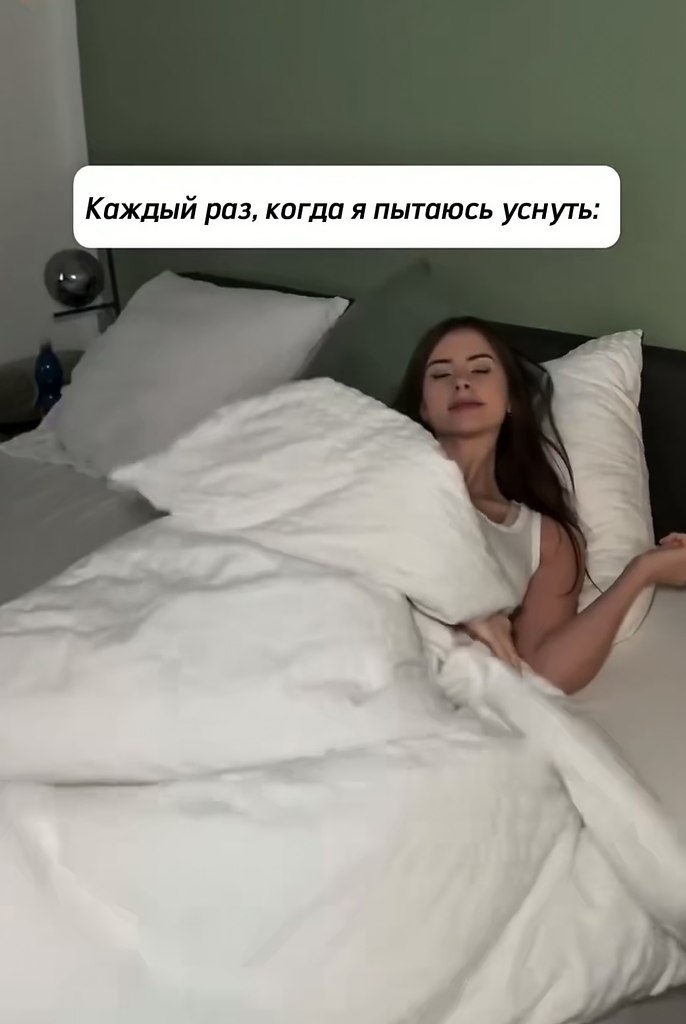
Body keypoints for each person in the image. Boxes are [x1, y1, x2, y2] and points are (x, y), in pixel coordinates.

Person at [394, 316, 686, 694]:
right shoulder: (384, 473)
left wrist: (642, 572)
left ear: (510, 399)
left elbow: (545, 673)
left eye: (481, 369)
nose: (461, 382)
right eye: (440, 374)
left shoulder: (545, 538)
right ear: (423, 406)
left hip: (419, 693)